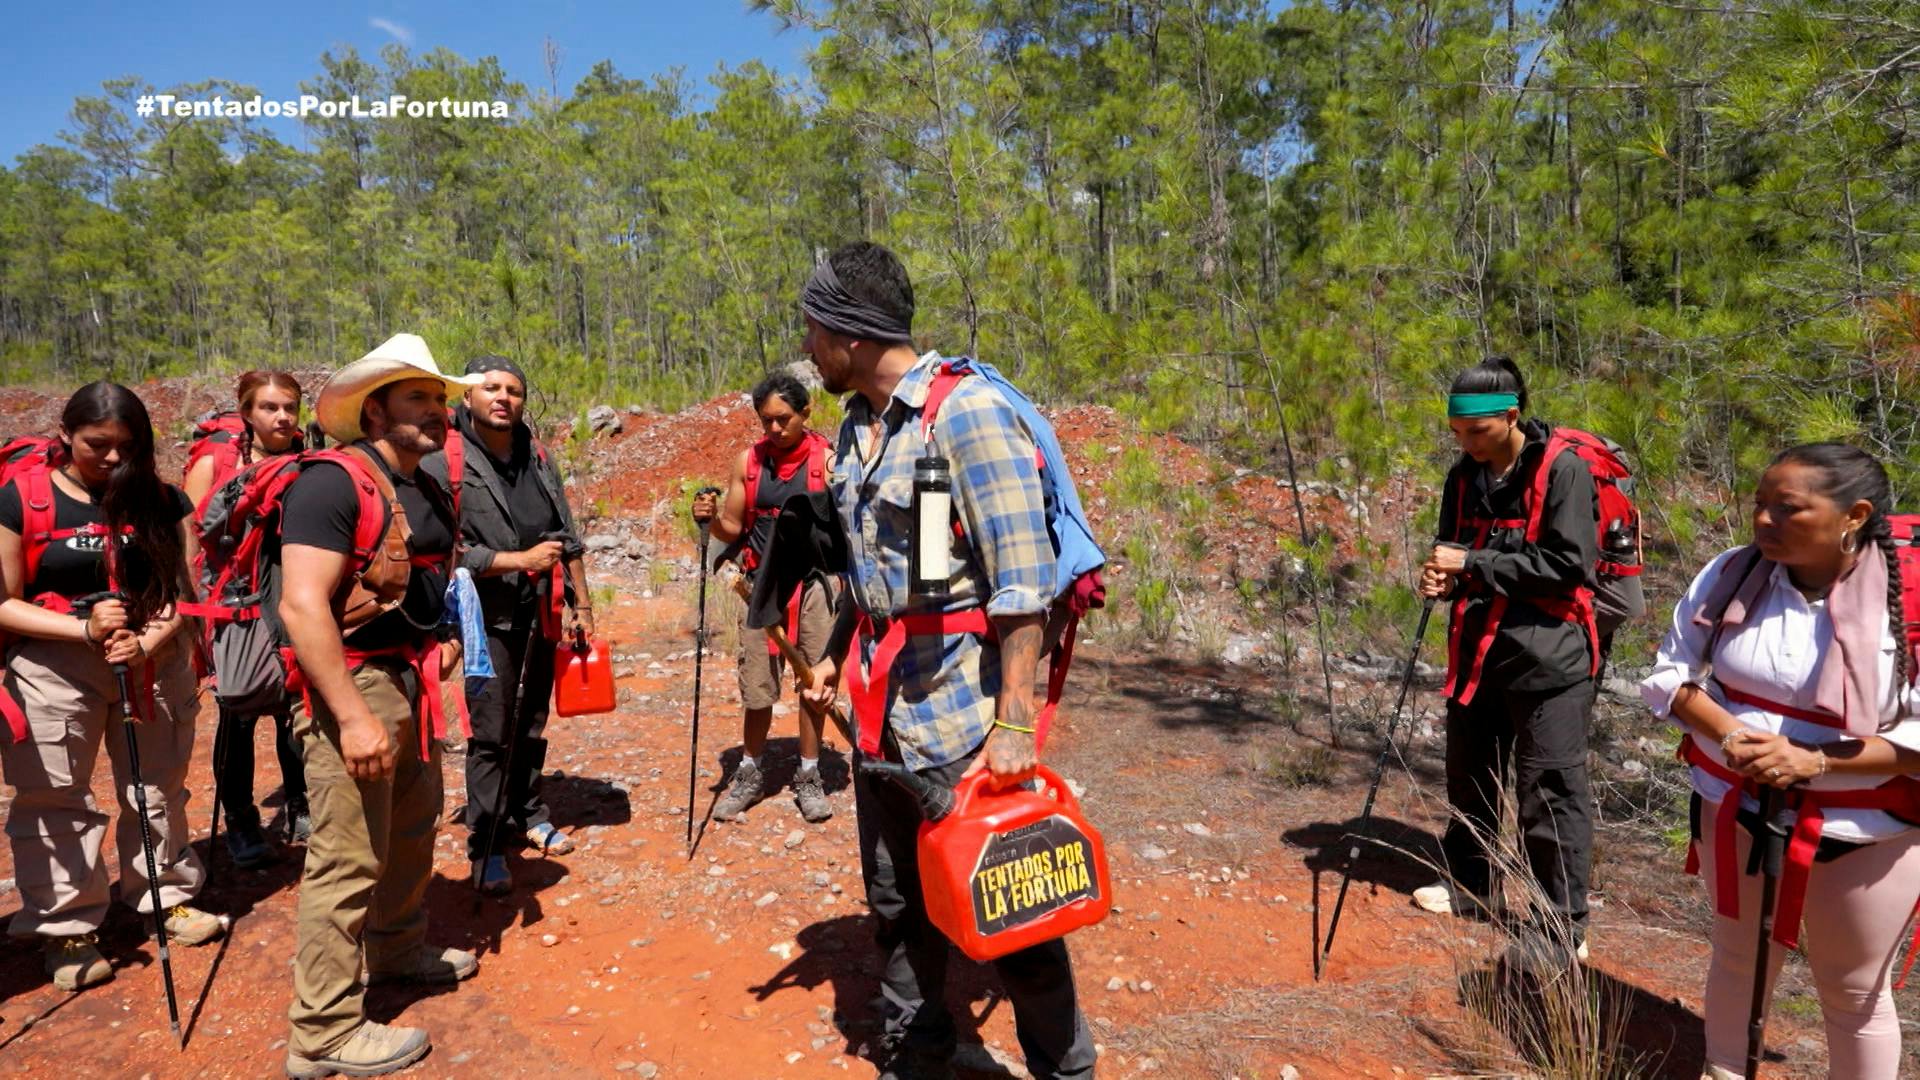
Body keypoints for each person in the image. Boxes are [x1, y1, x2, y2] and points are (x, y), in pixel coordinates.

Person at [795, 242, 1095, 1080]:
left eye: (814, 329)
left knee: (1020, 919)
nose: (807, 348)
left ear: (851, 334)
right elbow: (876, 576)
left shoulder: (966, 415)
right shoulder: (857, 428)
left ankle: (1065, 1073)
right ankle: (917, 1058)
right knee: (897, 907)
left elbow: (1021, 586)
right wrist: (830, 658)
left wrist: (1014, 722)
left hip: (965, 722)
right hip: (881, 716)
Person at [1643, 444, 1920, 1080]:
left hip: (1863, 831)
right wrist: (1730, 732)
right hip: (1733, 805)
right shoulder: (1732, 573)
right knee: (1738, 956)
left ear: (1854, 515)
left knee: (1853, 995)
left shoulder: (1908, 603)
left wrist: (1813, 761)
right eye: (1759, 505)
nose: (1763, 521)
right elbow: (1670, 673)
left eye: (1787, 509)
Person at [278, 334, 482, 1078]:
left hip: (412, 679)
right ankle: (323, 1032)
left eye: (439, 399)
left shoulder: (424, 483)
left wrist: (446, 643)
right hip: (354, 687)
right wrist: (353, 716)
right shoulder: (331, 485)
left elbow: (432, 579)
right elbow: (303, 607)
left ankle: (396, 949)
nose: (436, 412)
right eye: (418, 399)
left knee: (412, 826)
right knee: (346, 855)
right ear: (373, 412)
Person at [0, 381, 224, 992]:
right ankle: (67, 927)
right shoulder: (23, 500)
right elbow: (3, 604)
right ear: (66, 436)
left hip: (150, 659)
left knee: (157, 787)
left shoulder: (162, 499)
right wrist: (82, 627)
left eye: (128, 447)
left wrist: (146, 641)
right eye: (97, 445)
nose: (112, 459)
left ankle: (164, 895)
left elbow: (184, 593)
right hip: (53, 667)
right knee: (54, 797)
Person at [1415, 356, 1599, 970]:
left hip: (1549, 660)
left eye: (1476, 432)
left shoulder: (1563, 472)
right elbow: (1453, 550)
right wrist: (1443, 578)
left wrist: (1474, 566)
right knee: (1469, 773)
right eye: (1456, 432)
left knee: (1548, 790)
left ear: (1512, 416)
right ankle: (1471, 882)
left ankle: (1560, 927)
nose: (1464, 445)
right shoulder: (1462, 478)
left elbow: (1569, 566)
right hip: (1478, 653)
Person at [421, 356, 591, 895]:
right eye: (490, 388)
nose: (503, 398)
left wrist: (582, 605)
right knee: (491, 728)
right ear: (465, 398)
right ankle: (487, 842)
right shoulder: (442, 462)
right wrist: (517, 562)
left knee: (532, 718)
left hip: (541, 608)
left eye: (513, 390)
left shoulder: (537, 456)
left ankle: (528, 810)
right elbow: (441, 550)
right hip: (482, 617)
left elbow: (566, 536)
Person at [691, 372, 837, 825]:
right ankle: (750, 772)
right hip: (758, 585)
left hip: (815, 584)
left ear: (806, 412)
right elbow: (733, 528)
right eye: (765, 421)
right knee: (757, 686)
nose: (773, 430)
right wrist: (711, 521)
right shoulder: (748, 462)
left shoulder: (827, 462)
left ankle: (809, 775)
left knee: (813, 684)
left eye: (783, 419)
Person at [182, 370, 310, 867]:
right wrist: (196, 613)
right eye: (269, 408)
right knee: (237, 708)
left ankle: (299, 803)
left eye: (290, 407)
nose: (282, 417)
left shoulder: (305, 458)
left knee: (294, 703)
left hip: (292, 596)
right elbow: (190, 539)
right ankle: (239, 818)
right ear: (246, 412)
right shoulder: (216, 461)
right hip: (232, 601)